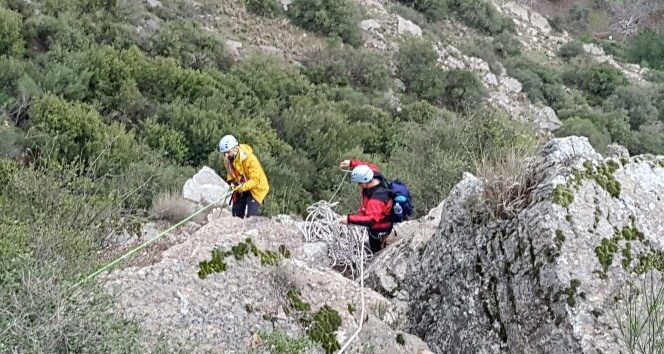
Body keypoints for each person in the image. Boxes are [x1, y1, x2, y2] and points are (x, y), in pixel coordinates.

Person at [338, 158, 393, 254]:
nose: (359, 185)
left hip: (379, 228)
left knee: (376, 249)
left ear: (365, 182)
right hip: (382, 221)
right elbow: (366, 166)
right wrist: (351, 163)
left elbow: (371, 220)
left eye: (360, 183)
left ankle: (377, 253)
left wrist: (349, 219)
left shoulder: (377, 198)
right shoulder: (373, 173)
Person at [218, 134, 270, 219]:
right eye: (224, 153)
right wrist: (231, 182)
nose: (226, 155)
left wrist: (241, 188)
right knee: (236, 214)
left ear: (235, 149)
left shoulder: (250, 159)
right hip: (240, 185)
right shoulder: (227, 160)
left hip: (256, 189)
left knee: (252, 217)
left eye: (227, 152)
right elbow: (230, 173)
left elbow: (255, 180)